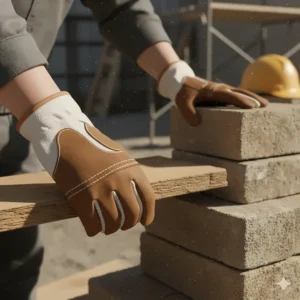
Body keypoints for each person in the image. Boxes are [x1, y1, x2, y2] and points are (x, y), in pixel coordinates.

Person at [0, 1, 268, 299]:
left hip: (16, 128)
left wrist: (176, 76)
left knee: (16, 266)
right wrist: (55, 120)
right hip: (30, 112)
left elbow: (121, 6)